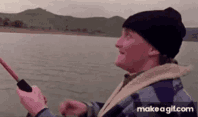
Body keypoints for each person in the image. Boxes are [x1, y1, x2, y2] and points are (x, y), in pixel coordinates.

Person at [16, 7, 197, 117]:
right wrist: (90, 110)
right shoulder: (160, 89)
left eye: (128, 36)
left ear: (153, 49)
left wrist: (39, 111)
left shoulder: (155, 102)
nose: (117, 43)